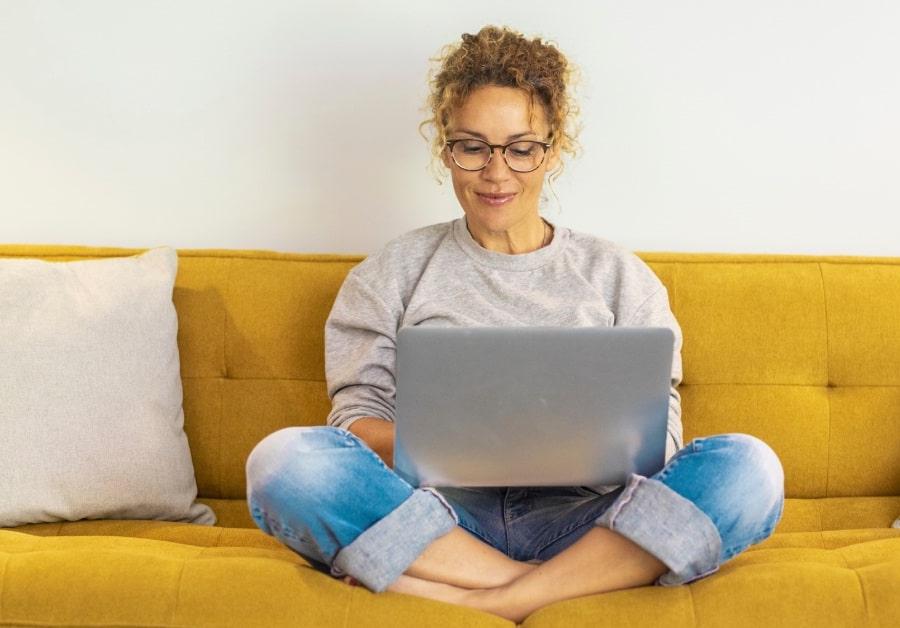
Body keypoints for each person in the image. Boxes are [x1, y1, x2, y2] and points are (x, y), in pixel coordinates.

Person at [245, 25, 784, 623]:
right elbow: (354, 426)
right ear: (444, 148)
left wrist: (577, 447)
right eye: (472, 146)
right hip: (439, 521)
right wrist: (463, 446)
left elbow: (665, 447)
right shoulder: (389, 274)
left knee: (750, 468)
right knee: (282, 462)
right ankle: (551, 587)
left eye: (521, 148)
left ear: (553, 150)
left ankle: (494, 598)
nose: (495, 173)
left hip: (590, 522)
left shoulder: (618, 277)